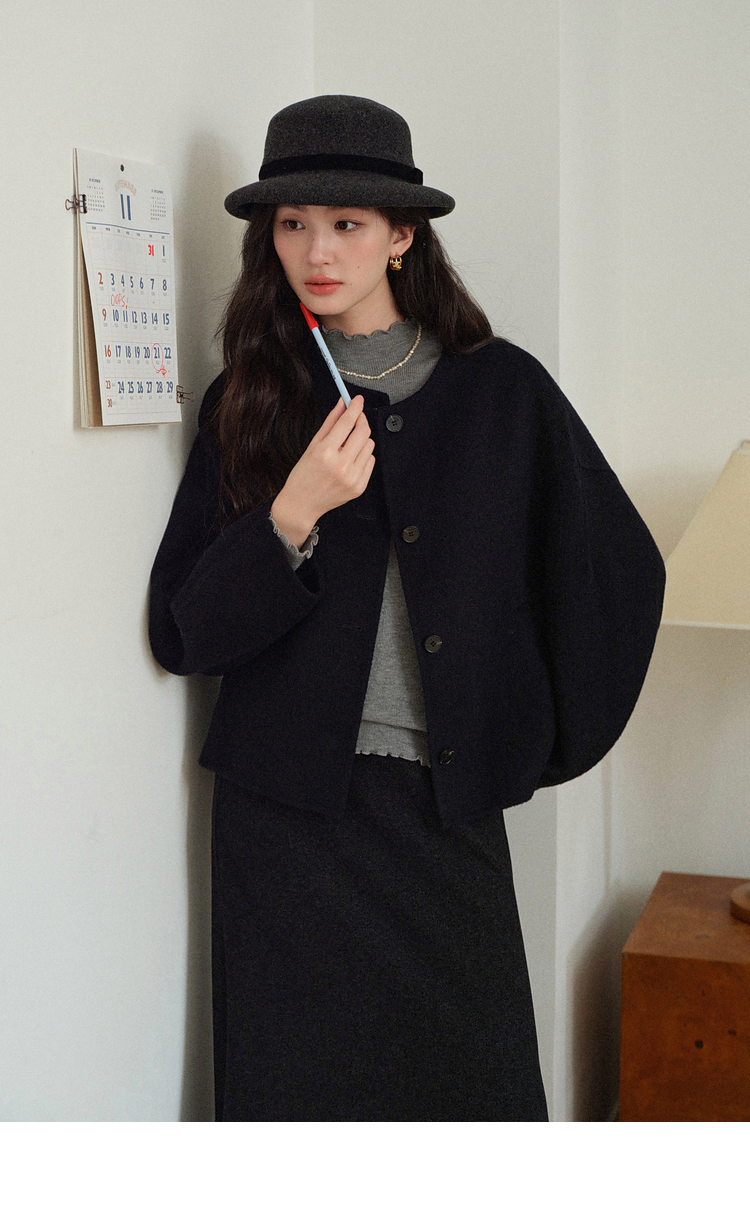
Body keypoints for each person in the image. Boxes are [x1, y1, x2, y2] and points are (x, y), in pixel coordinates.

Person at [149, 95, 665, 1121]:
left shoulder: (503, 393)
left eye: (346, 223)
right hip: (283, 825)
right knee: (294, 1112)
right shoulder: (249, 397)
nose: (316, 251)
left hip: (441, 809)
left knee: (480, 1097)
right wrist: (294, 510)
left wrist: (527, 739)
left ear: (402, 234)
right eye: (292, 223)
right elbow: (183, 631)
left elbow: (617, 573)